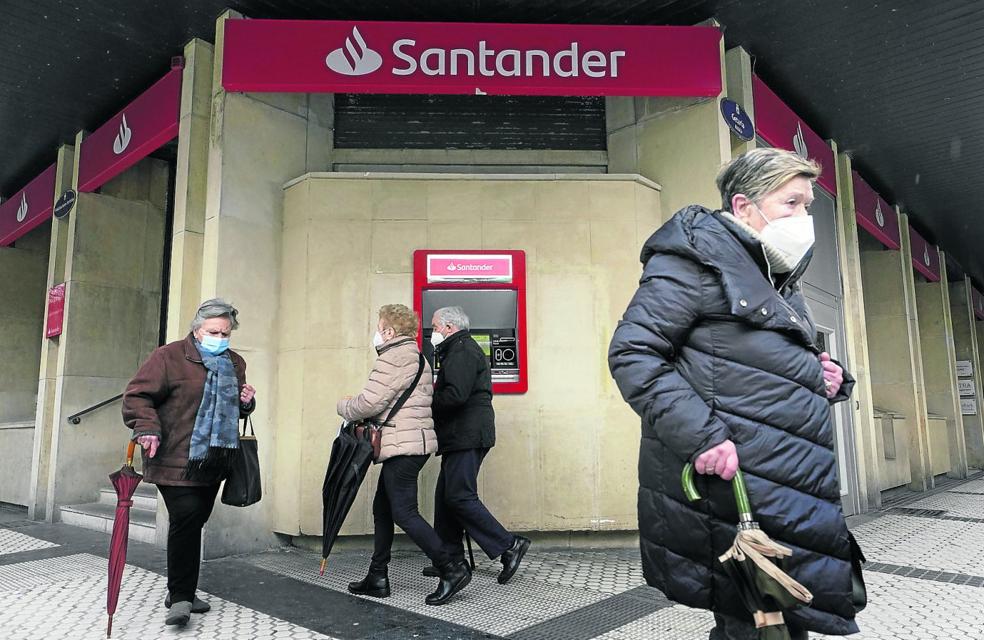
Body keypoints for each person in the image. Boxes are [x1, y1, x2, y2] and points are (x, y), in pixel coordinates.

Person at [608, 148, 861, 639]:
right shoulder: (694, 263)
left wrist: (827, 376)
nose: (804, 218)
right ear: (745, 206)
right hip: (739, 485)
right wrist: (701, 437)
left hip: (788, 480)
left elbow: (761, 363)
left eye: (807, 206)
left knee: (776, 617)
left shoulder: (776, 274)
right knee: (756, 616)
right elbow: (634, 354)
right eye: (792, 203)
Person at [122, 299, 256, 627]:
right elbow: (137, 396)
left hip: (214, 458)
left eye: (225, 333)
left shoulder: (234, 363)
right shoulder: (167, 358)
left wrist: (247, 403)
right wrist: (147, 428)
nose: (220, 338)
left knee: (195, 521)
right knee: (185, 517)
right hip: (173, 454)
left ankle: (180, 589)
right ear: (197, 330)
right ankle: (181, 597)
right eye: (213, 331)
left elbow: (233, 409)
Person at [337, 304, 470, 606]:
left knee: (404, 512)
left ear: (389, 331)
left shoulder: (394, 357)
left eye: (380, 326)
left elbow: (368, 403)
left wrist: (344, 405)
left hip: (404, 445)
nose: (377, 333)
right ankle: (377, 575)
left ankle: (451, 567)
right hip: (414, 442)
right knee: (383, 509)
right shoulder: (418, 357)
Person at [428, 306, 531, 586]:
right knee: (445, 498)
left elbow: (456, 395)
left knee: (459, 496)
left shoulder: (461, 351)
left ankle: (509, 545)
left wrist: (426, 402)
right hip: (460, 435)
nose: (433, 332)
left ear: (449, 327)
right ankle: (450, 560)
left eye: (435, 326)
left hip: (467, 435)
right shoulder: (457, 349)